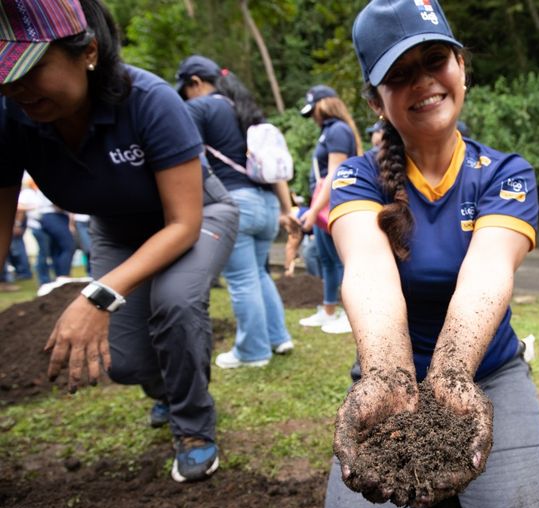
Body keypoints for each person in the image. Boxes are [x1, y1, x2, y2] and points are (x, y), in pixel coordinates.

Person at [322, 0, 539, 508]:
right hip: (390, 379)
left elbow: (488, 272)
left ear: (461, 66)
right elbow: (367, 271)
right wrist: (388, 375)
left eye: (435, 60)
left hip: (487, 373)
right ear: (373, 99)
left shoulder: (505, 172)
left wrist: (452, 377)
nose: (424, 82)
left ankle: (471, 476)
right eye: (399, 74)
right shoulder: (357, 177)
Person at [0, 0, 239, 483]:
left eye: (31, 69)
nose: (16, 87)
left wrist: (99, 294)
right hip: (115, 229)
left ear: (87, 51)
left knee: (174, 303)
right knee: (126, 363)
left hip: (195, 216)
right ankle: (169, 393)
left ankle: (193, 427)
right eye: (6, 73)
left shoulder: (148, 99)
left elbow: (182, 225)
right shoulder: (11, 117)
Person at [175, 54, 295, 368]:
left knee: (242, 279)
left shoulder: (197, 108)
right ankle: (278, 337)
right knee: (259, 273)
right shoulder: (245, 111)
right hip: (266, 203)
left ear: (196, 83)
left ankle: (253, 352)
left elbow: (191, 160)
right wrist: (286, 207)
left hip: (235, 204)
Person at [297, 85, 362, 335]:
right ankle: (329, 310)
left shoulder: (337, 131)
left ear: (324, 105)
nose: (313, 116)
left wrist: (314, 210)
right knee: (327, 260)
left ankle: (352, 314)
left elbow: (335, 172)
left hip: (333, 204)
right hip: (323, 204)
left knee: (342, 260)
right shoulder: (328, 132)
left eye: (314, 110)